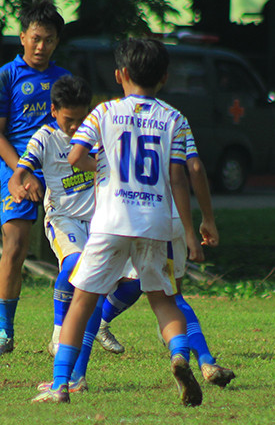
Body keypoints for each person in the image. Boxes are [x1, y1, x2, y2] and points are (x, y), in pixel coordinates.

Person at [30, 37, 204, 406]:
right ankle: (178, 357)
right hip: (156, 224)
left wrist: (104, 171)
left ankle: (61, 384)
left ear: (120, 74)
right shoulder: (174, 118)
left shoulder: (104, 113)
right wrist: (193, 230)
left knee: (82, 301)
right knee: (164, 301)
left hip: (109, 221)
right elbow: (183, 176)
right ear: (165, 77)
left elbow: (76, 154)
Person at [94, 134, 236, 388]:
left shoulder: (109, 114)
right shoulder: (172, 118)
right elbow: (193, 167)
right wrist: (206, 219)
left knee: (91, 293)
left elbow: (83, 158)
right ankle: (203, 359)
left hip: (123, 216)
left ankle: (68, 378)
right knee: (170, 297)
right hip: (166, 218)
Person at [0, 0, 69, 357]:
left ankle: (64, 331)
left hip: (61, 173)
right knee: (15, 248)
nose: (41, 46)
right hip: (17, 172)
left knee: (74, 253)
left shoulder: (64, 80)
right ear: (22, 36)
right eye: (36, 37)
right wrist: (21, 172)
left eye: (48, 39)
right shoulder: (3, 78)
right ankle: (5, 334)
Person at [12, 74, 100, 392]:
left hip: (102, 223)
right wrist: (19, 183)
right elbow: (21, 170)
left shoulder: (99, 134)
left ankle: (78, 373)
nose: (76, 127)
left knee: (119, 287)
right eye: (69, 120)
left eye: (82, 119)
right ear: (53, 111)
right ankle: (58, 333)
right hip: (64, 221)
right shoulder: (45, 138)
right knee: (76, 266)